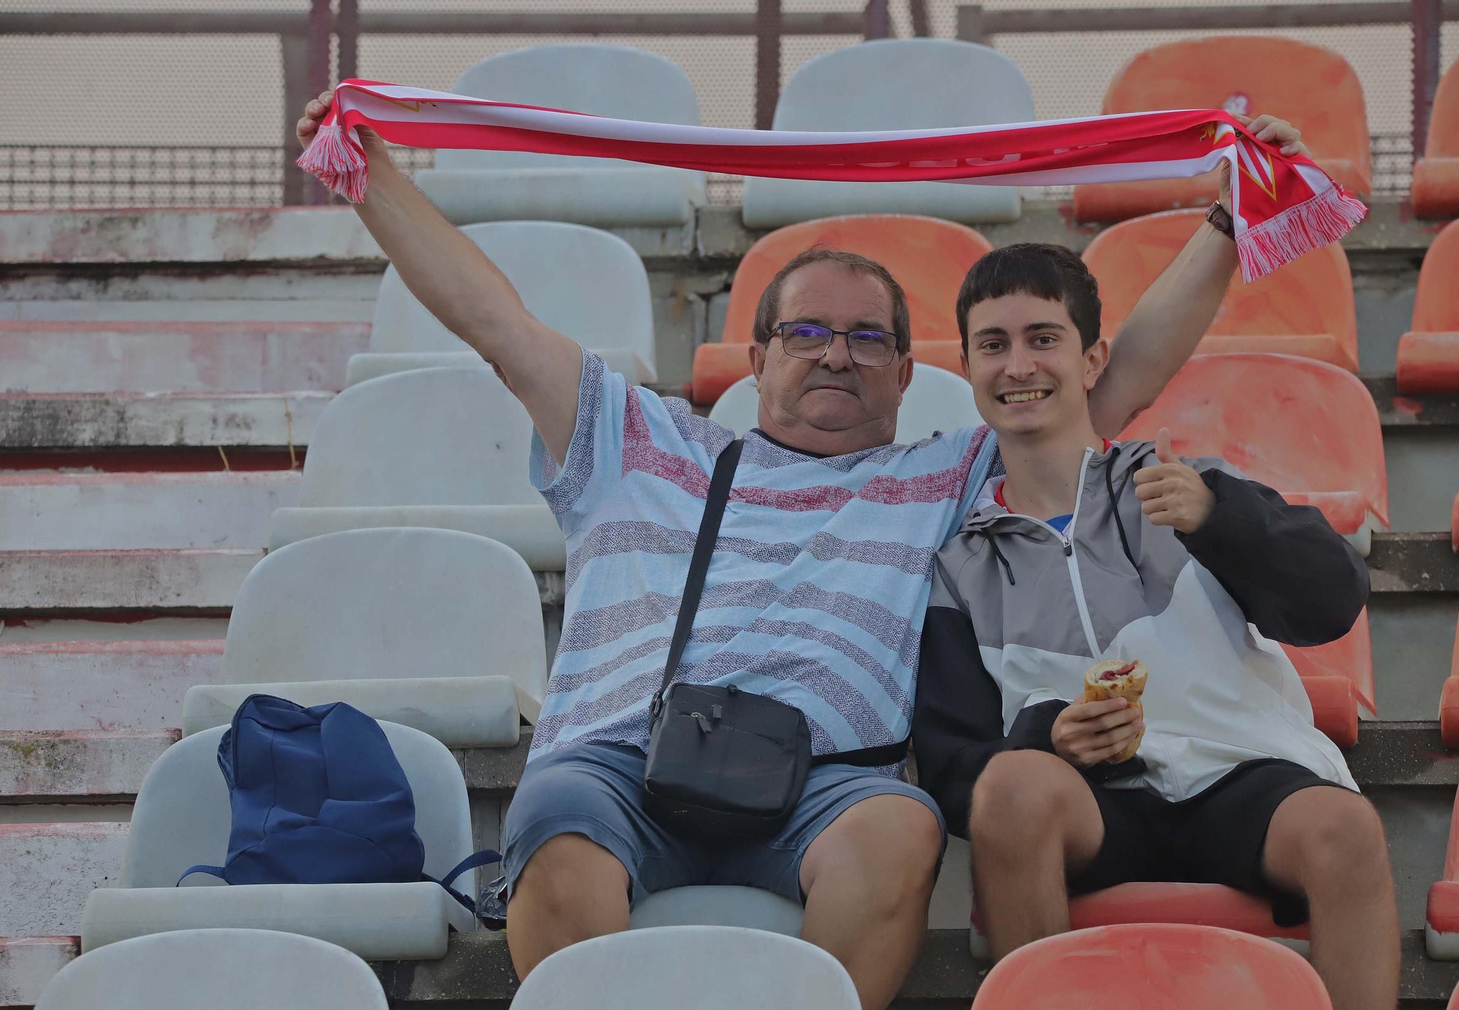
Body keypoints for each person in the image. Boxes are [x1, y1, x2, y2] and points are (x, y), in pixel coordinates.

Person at [297, 91, 1308, 1010]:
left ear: (909, 372)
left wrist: (1227, 222)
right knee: (556, 809)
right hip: (626, 760)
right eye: (809, 331)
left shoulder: (948, 475)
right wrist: (369, 179)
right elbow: (496, 321)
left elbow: (1114, 379)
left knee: (902, 827)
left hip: (830, 779)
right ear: (757, 356)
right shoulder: (640, 443)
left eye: (868, 338)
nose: (836, 352)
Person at [911, 242, 1398, 1010]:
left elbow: (1333, 599)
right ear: (967, 367)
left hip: (1240, 773)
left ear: (1094, 357)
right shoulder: (957, 560)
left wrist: (1220, 522)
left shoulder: (1184, 487)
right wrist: (1050, 738)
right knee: (1010, 787)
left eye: (1044, 339)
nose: (1018, 366)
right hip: (1088, 802)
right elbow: (948, 764)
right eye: (993, 346)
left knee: (1347, 829)